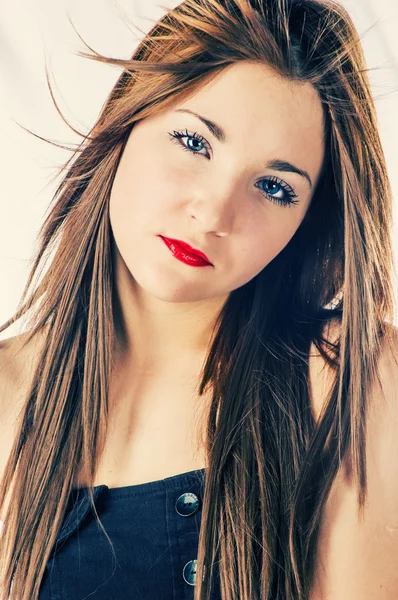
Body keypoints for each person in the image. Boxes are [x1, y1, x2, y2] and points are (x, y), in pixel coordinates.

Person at [0, 0, 397, 598]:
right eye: (193, 141)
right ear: (127, 121)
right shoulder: (8, 400)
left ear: (306, 224)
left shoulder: (349, 379)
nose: (213, 213)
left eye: (273, 186)